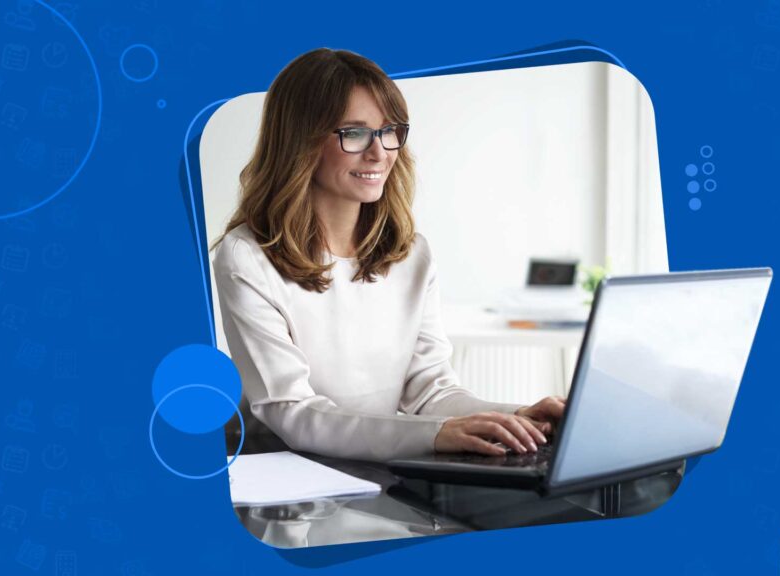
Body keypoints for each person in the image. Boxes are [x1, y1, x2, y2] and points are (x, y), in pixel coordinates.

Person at [212, 48, 565, 463]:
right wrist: (437, 434)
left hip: (381, 469)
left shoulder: (411, 253)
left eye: (389, 131)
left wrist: (516, 417)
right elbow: (291, 412)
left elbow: (431, 391)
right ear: (300, 141)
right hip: (289, 485)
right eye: (355, 133)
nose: (380, 153)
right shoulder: (246, 257)